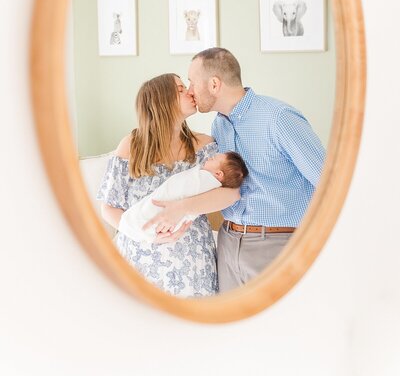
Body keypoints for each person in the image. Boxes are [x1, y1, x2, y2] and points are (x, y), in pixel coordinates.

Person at [144, 48, 325, 293]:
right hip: (228, 245)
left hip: (277, 244)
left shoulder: (278, 118)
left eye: (192, 82)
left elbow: (330, 182)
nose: (190, 90)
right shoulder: (219, 126)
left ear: (215, 84)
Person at [96, 72, 239, 298]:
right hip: (140, 262)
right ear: (162, 101)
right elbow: (109, 208)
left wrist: (183, 208)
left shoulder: (206, 146)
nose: (191, 92)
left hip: (193, 264)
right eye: (181, 90)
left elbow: (230, 194)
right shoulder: (131, 146)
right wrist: (147, 236)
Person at [119, 151, 248, 243]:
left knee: (148, 215)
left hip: (169, 222)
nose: (209, 158)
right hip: (155, 233)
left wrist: (181, 208)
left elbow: (234, 195)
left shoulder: (205, 180)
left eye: (213, 159)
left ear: (218, 174)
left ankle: (136, 225)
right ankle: (137, 226)